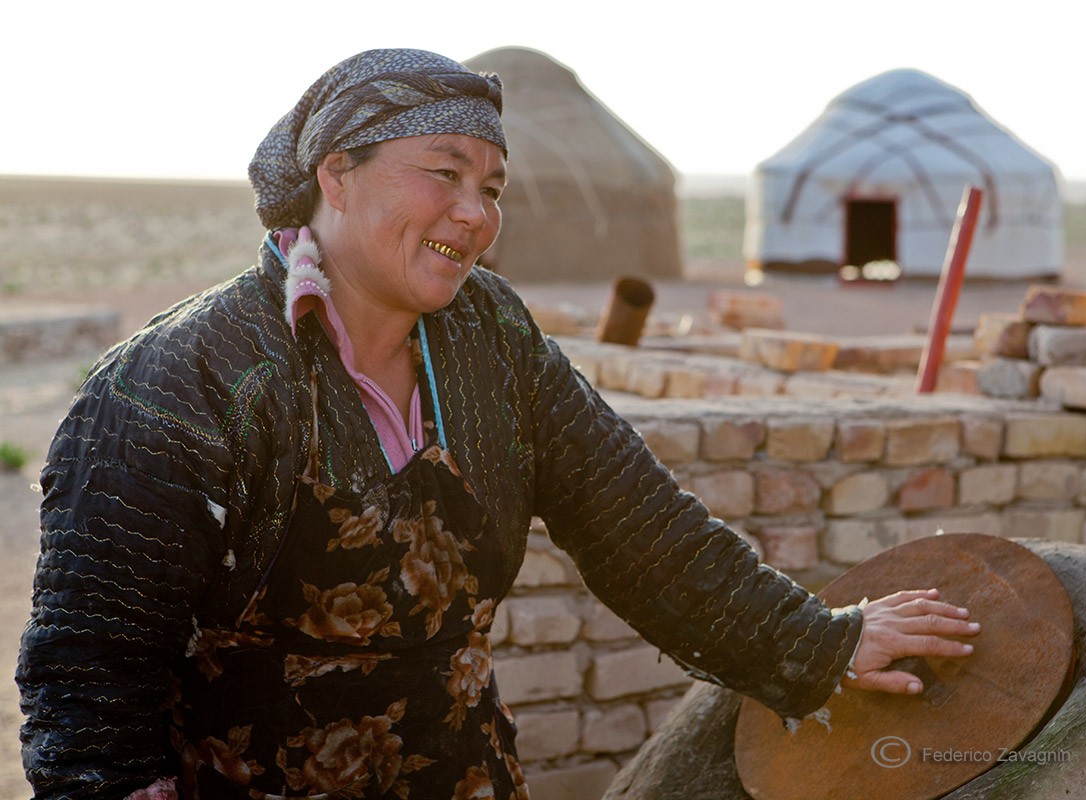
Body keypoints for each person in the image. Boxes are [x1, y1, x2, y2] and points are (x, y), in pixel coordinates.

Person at [17, 49, 979, 800]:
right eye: (444, 173)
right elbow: (89, 674)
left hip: (463, 776)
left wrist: (818, 644)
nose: (473, 214)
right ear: (335, 174)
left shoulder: (492, 336)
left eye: (492, 188)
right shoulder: (181, 380)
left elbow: (636, 522)